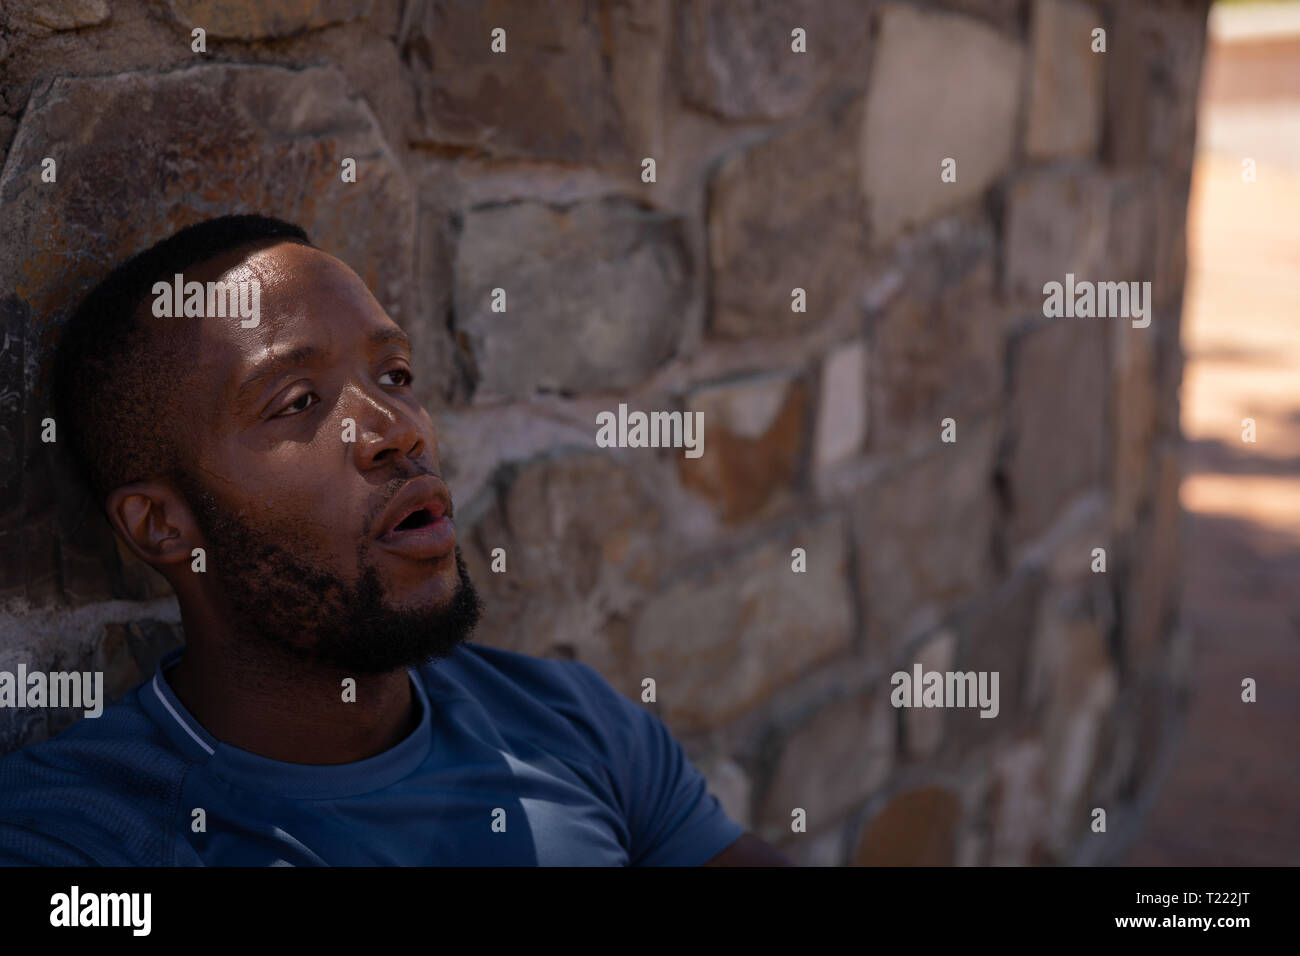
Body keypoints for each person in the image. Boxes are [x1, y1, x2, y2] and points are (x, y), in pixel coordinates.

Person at [0, 215, 793, 866]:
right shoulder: (74, 841)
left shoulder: (570, 723)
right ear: (163, 526)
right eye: (299, 400)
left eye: (396, 376)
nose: (395, 431)